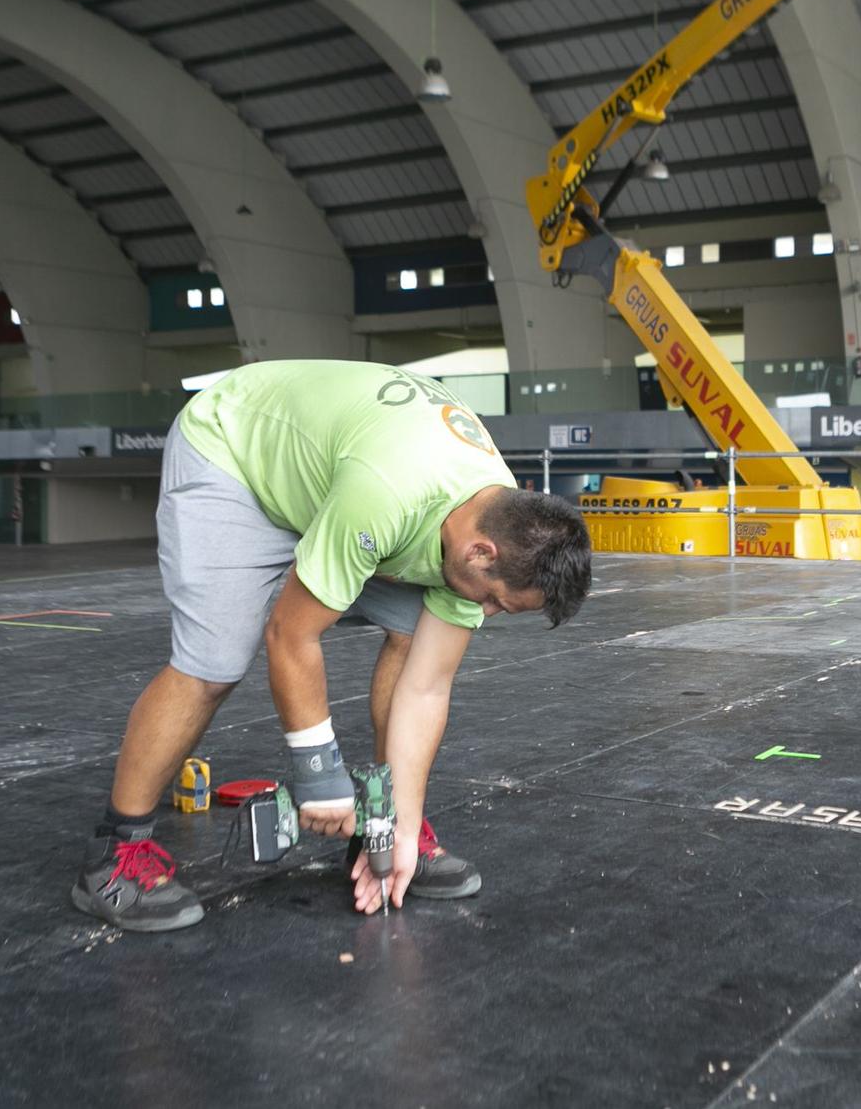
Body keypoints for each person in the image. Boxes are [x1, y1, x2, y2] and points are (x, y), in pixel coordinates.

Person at [73, 360, 592, 931]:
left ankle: (383, 821)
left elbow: (426, 686)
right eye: (494, 601)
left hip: (335, 479)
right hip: (235, 454)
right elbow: (290, 635)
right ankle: (114, 855)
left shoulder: (499, 517)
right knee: (213, 663)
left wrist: (393, 833)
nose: (485, 614)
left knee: (417, 633)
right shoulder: (388, 492)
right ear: (481, 552)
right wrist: (320, 776)